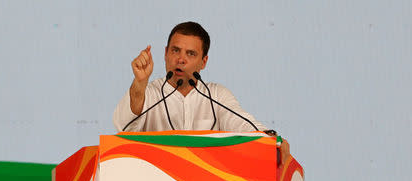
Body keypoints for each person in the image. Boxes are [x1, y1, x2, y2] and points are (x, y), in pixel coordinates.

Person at [113, 21, 290, 164]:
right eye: (175, 50)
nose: (181, 59)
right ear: (166, 53)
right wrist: (139, 82)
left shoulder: (216, 95)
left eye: (190, 54)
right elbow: (125, 127)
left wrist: (269, 137)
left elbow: (240, 122)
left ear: (203, 62)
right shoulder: (149, 92)